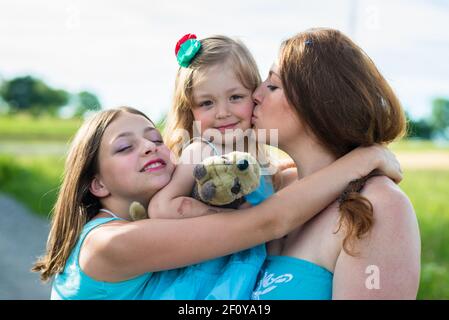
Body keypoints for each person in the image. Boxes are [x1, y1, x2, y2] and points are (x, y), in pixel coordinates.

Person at [32, 106, 401, 300]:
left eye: (154, 138)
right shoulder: (111, 244)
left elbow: (269, 177)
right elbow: (264, 224)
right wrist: (363, 159)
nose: (149, 146)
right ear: (96, 183)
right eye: (126, 147)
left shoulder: (133, 224)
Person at [250, 28, 421, 300]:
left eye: (272, 86)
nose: (255, 95)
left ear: (317, 102)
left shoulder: (378, 205)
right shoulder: (269, 187)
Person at [146, 34, 275, 299]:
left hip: (253, 271)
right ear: (190, 109)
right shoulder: (201, 150)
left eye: (236, 97)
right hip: (208, 273)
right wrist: (219, 214)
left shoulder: (258, 149)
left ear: (255, 95)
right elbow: (160, 207)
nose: (222, 112)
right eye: (207, 103)